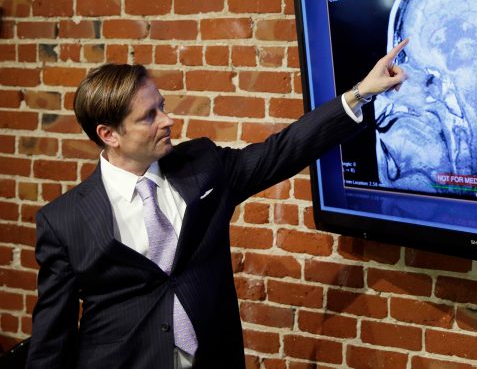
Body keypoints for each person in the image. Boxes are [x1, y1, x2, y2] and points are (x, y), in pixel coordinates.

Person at [25, 40, 408, 369]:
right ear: (109, 135)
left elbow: (283, 150)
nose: (168, 119)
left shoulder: (202, 168)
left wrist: (360, 92)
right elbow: (51, 340)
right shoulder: (63, 221)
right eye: (149, 116)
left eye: (162, 105)